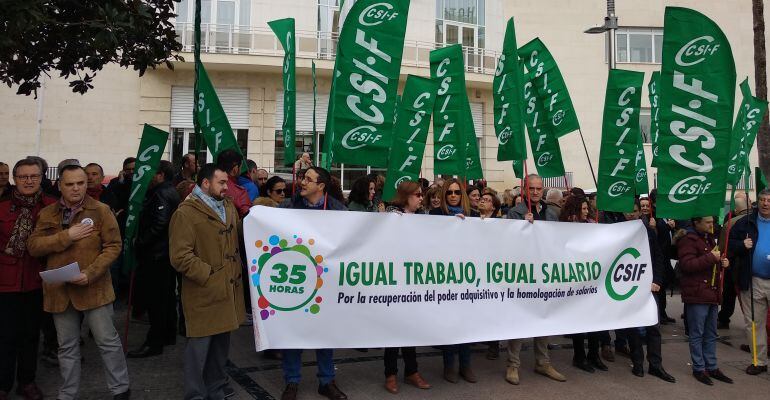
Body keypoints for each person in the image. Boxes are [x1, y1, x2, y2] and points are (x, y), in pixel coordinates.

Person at [27, 164, 130, 400]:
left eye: (81, 183)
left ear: (87, 184)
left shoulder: (101, 211)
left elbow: (114, 246)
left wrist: (91, 272)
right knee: (66, 346)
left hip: (94, 288)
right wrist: (67, 236)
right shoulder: (47, 214)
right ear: (60, 185)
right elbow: (34, 247)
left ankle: (120, 389)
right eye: (70, 184)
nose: (76, 188)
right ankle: (68, 393)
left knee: (107, 341)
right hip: (60, 291)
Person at [169, 164, 245, 400]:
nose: (226, 187)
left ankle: (216, 390)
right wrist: (209, 274)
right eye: (221, 182)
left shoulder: (228, 206)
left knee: (220, 350)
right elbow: (180, 257)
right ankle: (195, 395)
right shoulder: (185, 213)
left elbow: (239, 235)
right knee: (198, 351)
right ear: (205, 183)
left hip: (228, 291)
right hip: (204, 293)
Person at [278, 166, 347, 400]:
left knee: (324, 332)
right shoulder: (288, 207)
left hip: (326, 281)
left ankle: (326, 381)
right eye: (302, 177)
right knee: (292, 332)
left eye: (308, 179)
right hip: (296, 279)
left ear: (321, 186)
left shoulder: (338, 210)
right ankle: (292, 382)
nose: (302, 182)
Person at [0, 159, 56, 400]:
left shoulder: (52, 207)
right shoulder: (1, 208)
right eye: (23, 177)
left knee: (31, 335)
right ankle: (2, 384)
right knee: (4, 336)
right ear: (15, 179)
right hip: (5, 283)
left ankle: (27, 382)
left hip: (38, 282)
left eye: (34, 176)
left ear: (41, 177)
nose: (29, 180)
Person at [504, 174, 566, 385]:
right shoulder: (515, 212)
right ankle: (513, 364)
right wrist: (523, 226)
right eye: (532, 188)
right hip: (523, 274)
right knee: (520, 319)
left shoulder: (551, 213)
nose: (536, 192)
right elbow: (508, 242)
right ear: (524, 189)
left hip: (544, 273)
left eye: (540, 188)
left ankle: (543, 361)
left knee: (544, 317)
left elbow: (557, 241)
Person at [127, 160, 180, 359]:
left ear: (160, 175)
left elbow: (160, 223)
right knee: (165, 298)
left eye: (150, 174)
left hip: (157, 255)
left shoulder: (161, 193)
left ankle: (154, 342)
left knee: (157, 301)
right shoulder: (168, 191)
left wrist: (140, 242)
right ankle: (167, 334)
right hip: (164, 253)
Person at [381, 181, 431, 393]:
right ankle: (390, 374)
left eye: (422, 195)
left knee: (410, 328)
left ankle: (412, 371)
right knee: (393, 329)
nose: (421, 198)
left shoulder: (422, 218)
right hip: (394, 281)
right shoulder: (390, 218)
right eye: (417, 195)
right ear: (406, 196)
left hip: (414, 281)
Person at [677, 216, 732, 385]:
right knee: (697, 333)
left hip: (710, 292)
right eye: (707, 222)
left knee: (711, 333)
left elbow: (711, 262)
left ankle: (712, 366)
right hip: (697, 293)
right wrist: (711, 259)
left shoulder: (707, 238)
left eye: (711, 221)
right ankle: (699, 368)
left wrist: (722, 262)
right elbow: (687, 265)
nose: (711, 224)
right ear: (696, 223)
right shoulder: (688, 240)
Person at [558, 196, 606, 373]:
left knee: (595, 320)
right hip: (575, 280)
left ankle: (594, 354)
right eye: (583, 209)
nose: (586, 212)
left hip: (593, 278)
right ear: (574, 210)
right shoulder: (564, 227)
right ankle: (579, 356)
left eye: (587, 208)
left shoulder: (592, 225)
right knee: (579, 320)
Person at [729, 188, 770, 375]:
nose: (765, 203)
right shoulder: (745, 223)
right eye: (762, 199)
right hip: (753, 280)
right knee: (754, 323)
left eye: (769, 200)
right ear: (757, 202)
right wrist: (741, 245)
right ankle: (759, 361)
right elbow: (729, 244)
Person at [718, 194, 748, 330]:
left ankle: (724, 319)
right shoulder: (759, 220)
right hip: (751, 265)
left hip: (733, 264)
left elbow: (723, 246)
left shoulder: (731, 222)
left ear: (736, 210)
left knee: (729, 294)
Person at [216, 150, 251, 218]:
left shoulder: (202, 185)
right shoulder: (240, 193)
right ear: (235, 169)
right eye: (240, 168)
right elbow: (247, 219)